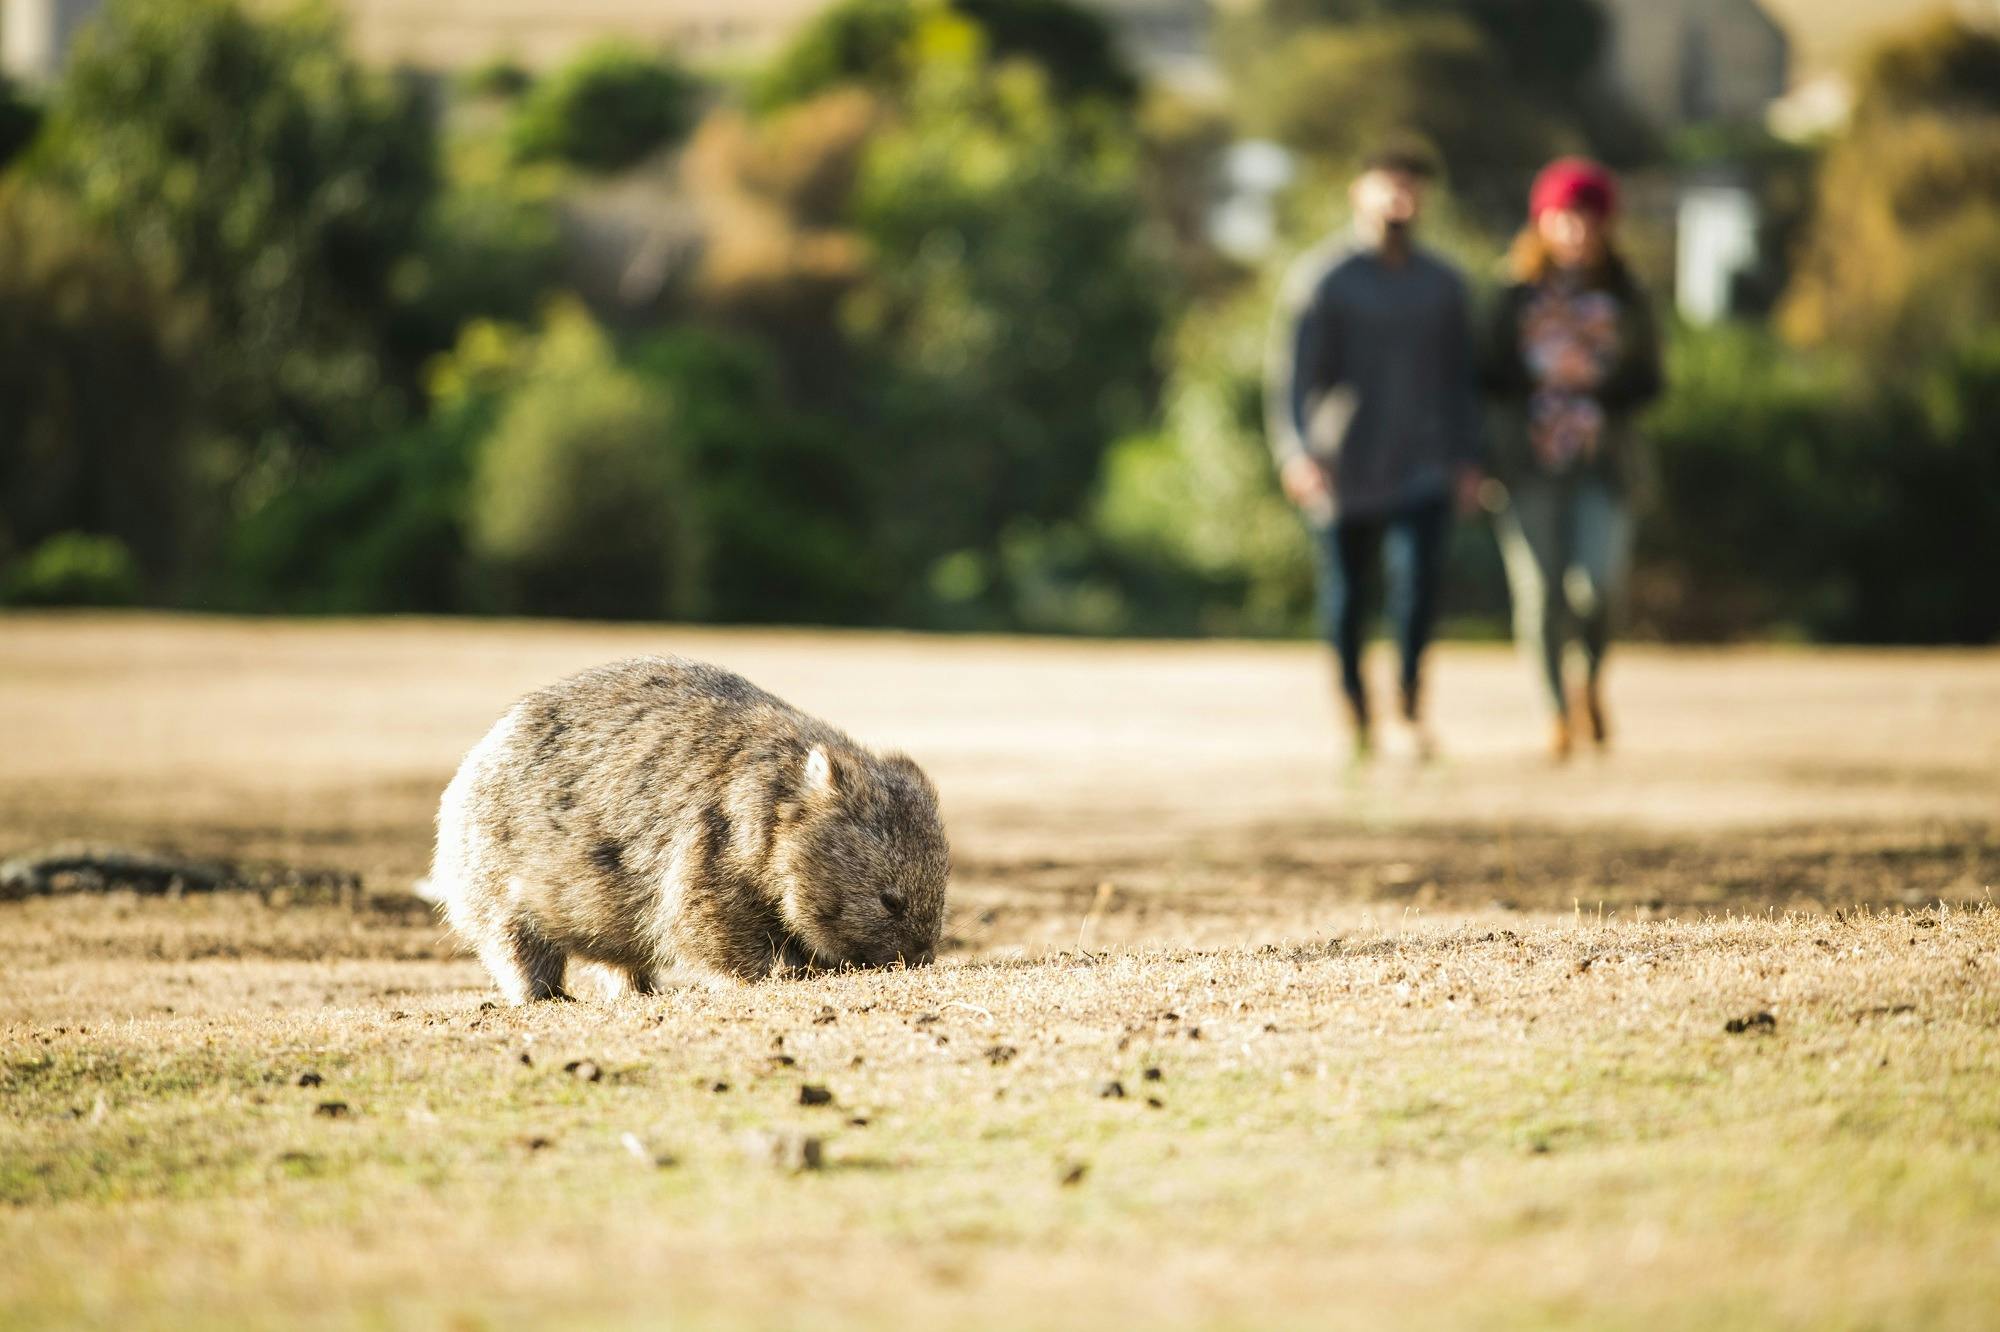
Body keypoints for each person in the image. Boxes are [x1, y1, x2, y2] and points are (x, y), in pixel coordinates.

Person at [1266, 145, 1483, 761]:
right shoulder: (1324, 278)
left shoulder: (1444, 284)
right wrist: (1296, 452)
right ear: (1358, 192)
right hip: (1345, 462)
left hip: (1427, 459)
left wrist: (1469, 457)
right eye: (1387, 187)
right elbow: (1292, 377)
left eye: (1410, 188)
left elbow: (1462, 378)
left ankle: (1411, 708)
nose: (1399, 199)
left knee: (1418, 586)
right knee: (1349, 594)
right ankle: (1354, 709)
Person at [1482, 158, 1664, 761]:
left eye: (1588, 218)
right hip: (1527, 462)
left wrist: (1595, 387)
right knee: (1540, 593)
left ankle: (1590, 681)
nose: (1577, 231)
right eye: (1565, 218)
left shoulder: (1628, 296)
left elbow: (1651, 380)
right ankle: (1556, 713)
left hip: (1602, 462)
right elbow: (1485, 376)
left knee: (1597, 586)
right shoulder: (1512, 296)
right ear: (1543, 222)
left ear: (1606, 224)